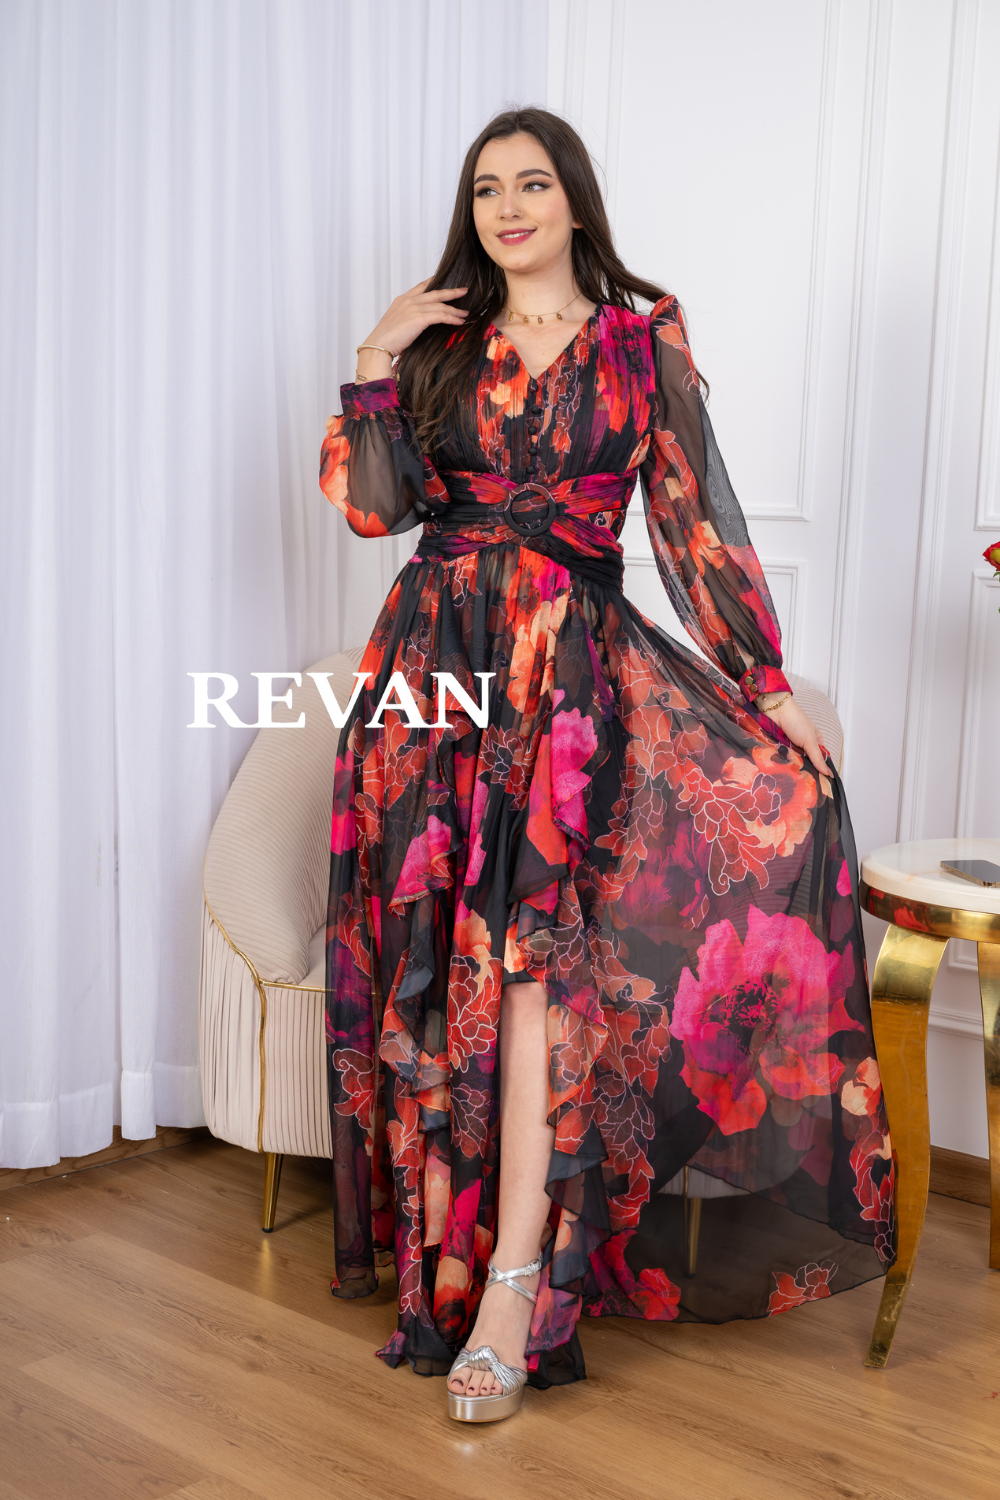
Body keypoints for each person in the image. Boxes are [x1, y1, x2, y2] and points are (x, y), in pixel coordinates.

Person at [320, 106, 893, 1425]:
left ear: (575, 200)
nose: (509, 208)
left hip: (569, 686)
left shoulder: (643, 343)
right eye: (486, 190)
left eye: (533, 184)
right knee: (437, 975)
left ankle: (514, 1287)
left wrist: (764, 682)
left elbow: (694, 523)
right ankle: (450, 1265)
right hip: (429, 679)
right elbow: (370, 508)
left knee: (534, 974)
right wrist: (373, 359)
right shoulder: (439, 345)